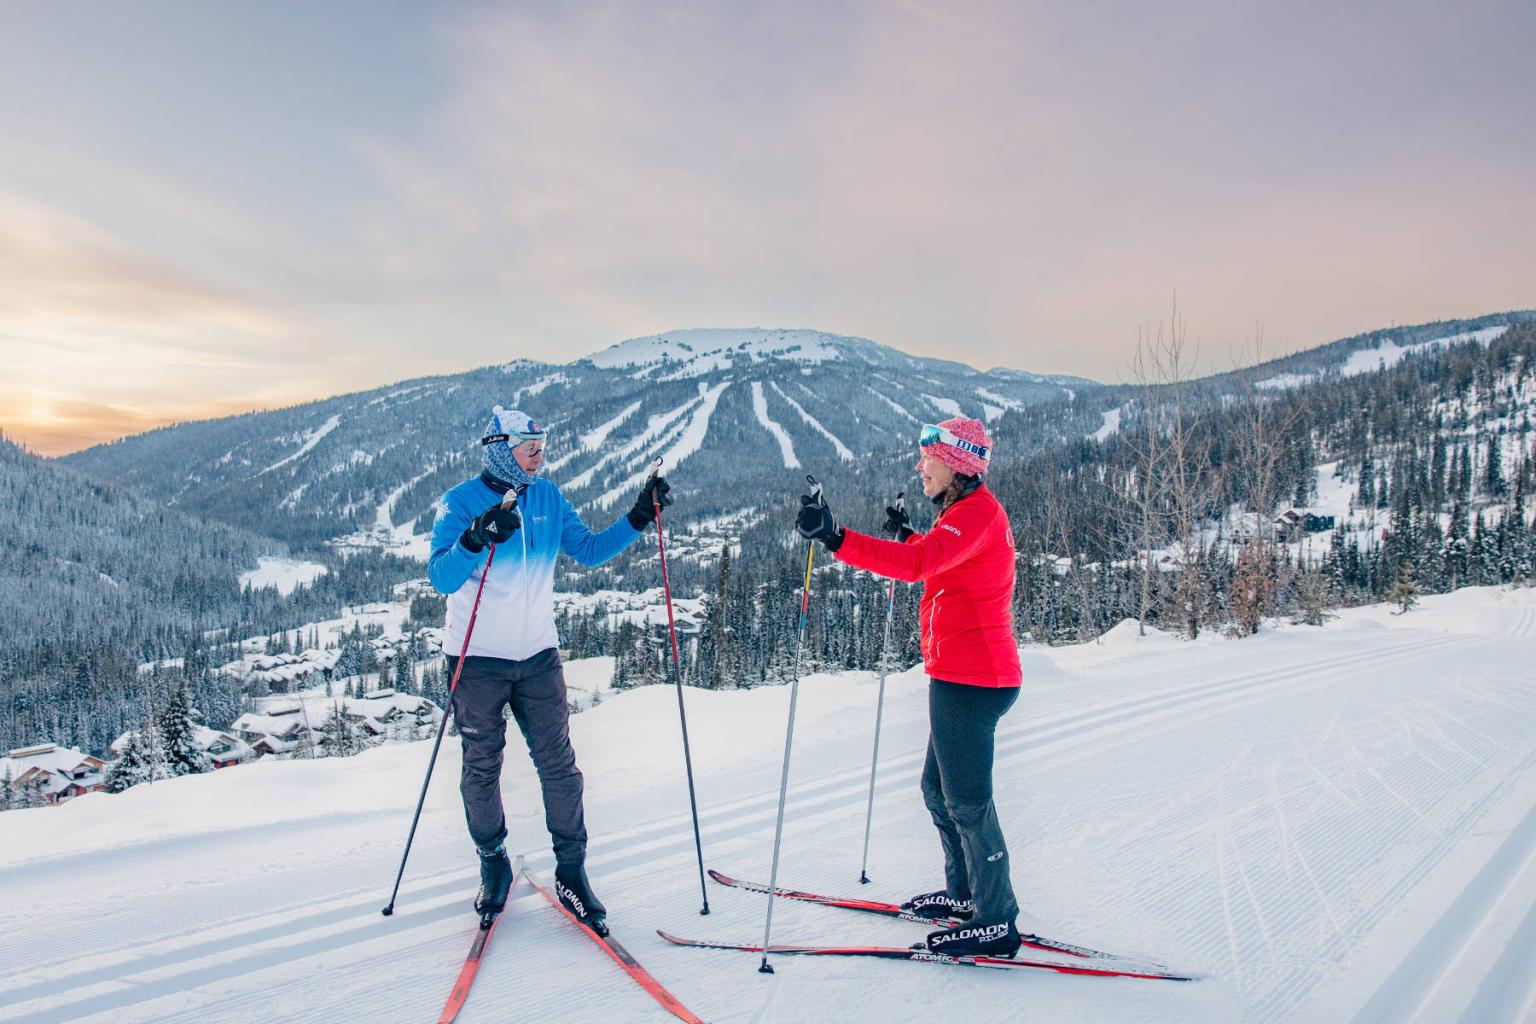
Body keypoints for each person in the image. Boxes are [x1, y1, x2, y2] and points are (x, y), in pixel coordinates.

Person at [429, 405, 671, 935]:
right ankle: (493, 861)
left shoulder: (548, 497)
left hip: (537, 656)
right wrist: (474, 537)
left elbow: (588, 550)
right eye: (530, 449)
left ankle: (572, 871)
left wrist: (638, 516)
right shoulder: (460, 502)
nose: (540, 458)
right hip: (476, 662)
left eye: (542, 449)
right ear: (502, 448)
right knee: (482, 765)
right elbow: (442, 578)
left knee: (560, 767)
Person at [795, 416, 1024, 957]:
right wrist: (907, 534)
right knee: (938, 793)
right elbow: (943, 559)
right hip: (958, 675)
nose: (919, 465)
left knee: (968, 802)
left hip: (974, 679)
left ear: (958, 464)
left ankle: (997, 919)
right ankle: (964, 896)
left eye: (928, 457)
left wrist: (835, 537)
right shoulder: (964, 513)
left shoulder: (977, 513)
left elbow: (921, 565)